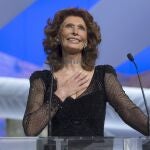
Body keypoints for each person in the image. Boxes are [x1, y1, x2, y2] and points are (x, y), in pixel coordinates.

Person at [22, 8, 149, 136]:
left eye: (81, 28)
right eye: (69, 26)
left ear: (87, 41)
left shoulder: (103, 76)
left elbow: (128, 110)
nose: (75, 32)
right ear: (57, 37)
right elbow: (31, 129)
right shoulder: (42, 80)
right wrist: (61, 93)